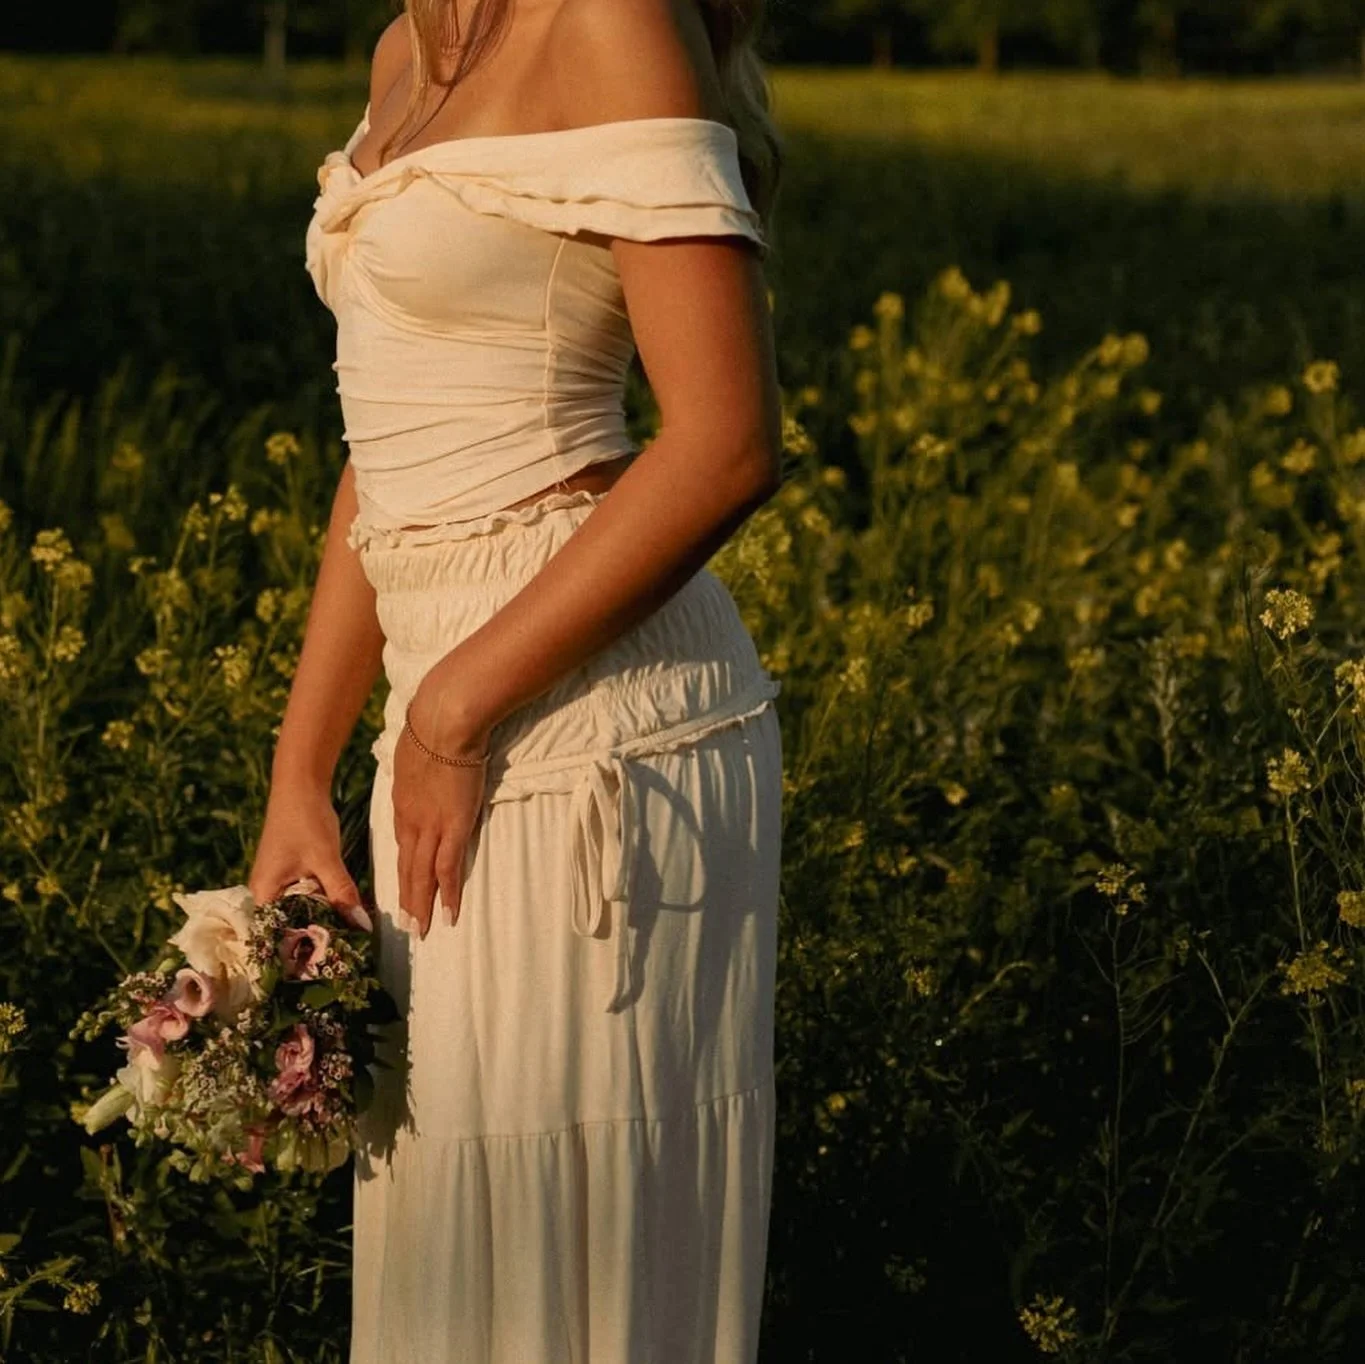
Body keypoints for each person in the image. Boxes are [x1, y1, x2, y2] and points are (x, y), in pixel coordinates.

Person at [247, 0, 785, 1357]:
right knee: (452, 1244)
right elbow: (391, 438)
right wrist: (299, 772)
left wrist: (453, 707)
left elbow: (724, 443)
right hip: (452, 714)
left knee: (565, 1257)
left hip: (592, 730)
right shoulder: (400, 49)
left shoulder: (609, 19)